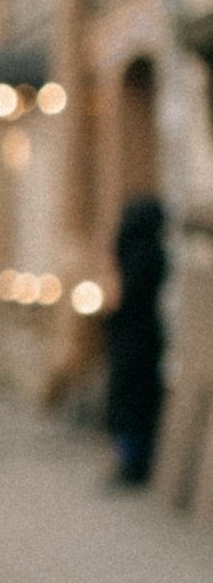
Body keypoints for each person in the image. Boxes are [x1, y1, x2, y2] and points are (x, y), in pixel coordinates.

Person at [106, 191, 167, 487]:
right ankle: (132, 460)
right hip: (142, 338)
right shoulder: (150, 251)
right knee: (135, 402)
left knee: (131, 403)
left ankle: (133, 463)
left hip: (132, 340)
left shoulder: (137, 254)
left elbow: (128, 297)